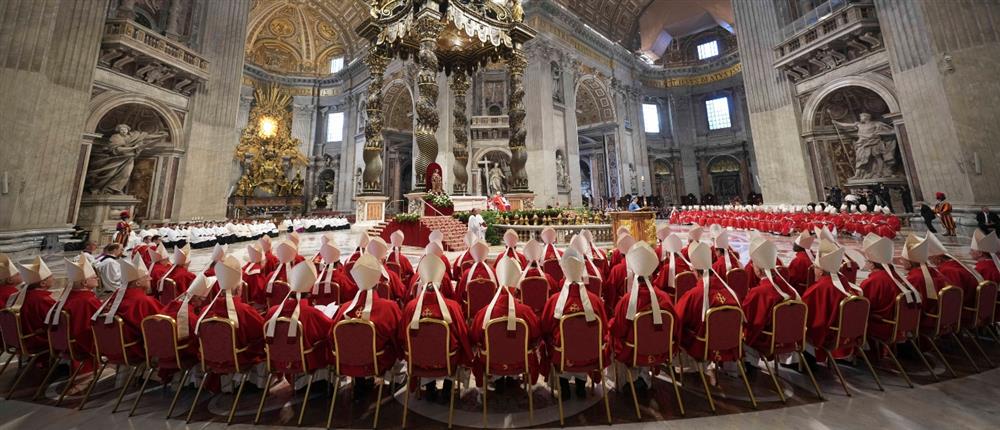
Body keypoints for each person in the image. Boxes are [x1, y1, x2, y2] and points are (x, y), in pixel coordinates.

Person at [609, 242, 677, 395]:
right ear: (652, 275)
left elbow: (618, 329)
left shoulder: (628, 300)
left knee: (614, 334)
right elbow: (675, 324)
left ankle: (627, 380)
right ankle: (644, 376)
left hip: (633, 350)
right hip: (661, 348)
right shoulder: (665, 298)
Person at [541, 248, 608, 400]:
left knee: (554, 341)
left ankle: (563, 384)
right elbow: (603, 328)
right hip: (590, 353)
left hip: (562, 353)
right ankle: (580, 384)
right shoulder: (595, 301)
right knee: (585, 342)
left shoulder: (554, 300)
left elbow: (544, 327)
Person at [402, 253, 471, 400]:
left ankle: (430, 387)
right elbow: (463, 334)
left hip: (418, 358)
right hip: (447, 359)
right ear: (442, 284)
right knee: (456, 346)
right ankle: (447, 387)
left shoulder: (410, 307)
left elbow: (403, 336)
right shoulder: (452, 307)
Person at [332, 254, 402, 397]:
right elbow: (400, 336)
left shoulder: (344, 308)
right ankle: (396, 380)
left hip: (347, 361)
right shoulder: (389, 307)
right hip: (378, 360)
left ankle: (360, 381)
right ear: (377, 283)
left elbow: (331, 336)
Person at [470, 256, 540, 391]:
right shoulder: (525, 311)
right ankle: (513, 377)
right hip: (521, 360)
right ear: (515, 289)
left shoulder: (484, 313)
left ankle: (498, 377)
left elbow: (474, 337)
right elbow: (536, 334)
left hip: (491, 361)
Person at [264, 260, 334, 374]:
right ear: (310, 293)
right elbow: (331, 331)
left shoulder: (272, 312)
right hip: (307, 362)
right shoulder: (310, 313)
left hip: (278, 362)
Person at [675, 241, 740, 363]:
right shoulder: (731, 293)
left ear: (695, 271)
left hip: (702, 346)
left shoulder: (693, 295)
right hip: (730, 343)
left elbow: (677, 320)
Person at [93, 253, 163, 358]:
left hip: (112, 347)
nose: (151, 278)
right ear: (138, 283)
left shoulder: (115, 296)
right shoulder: (142, 301)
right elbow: (160, 324)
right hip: (133, 349)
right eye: (146, 277)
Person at [802, 240, 861, 360]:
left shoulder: (819, 288)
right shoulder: (844, 282)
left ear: (821, 271)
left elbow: (805, 315)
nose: (814, 270)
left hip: (830, 335)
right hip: (848, 331)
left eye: (816, 268)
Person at [858, 234, 921, 343]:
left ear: (872, 265)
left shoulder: (873, 282)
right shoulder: (899, 277)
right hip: (901, 324)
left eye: (867, 261)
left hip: (883, 326)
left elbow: (862, 309)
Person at [11, 257, 56, 352]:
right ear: (43, 283)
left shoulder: (21, 295)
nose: (54, 278)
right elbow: (55, 321)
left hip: (24, 338)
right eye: (51, 276)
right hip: (40, 340)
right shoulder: (42, 299)